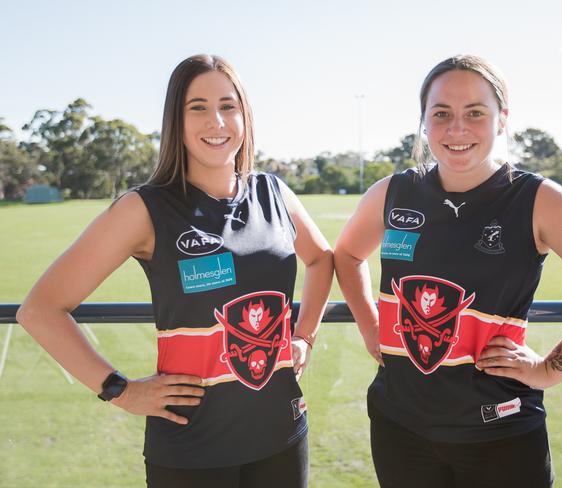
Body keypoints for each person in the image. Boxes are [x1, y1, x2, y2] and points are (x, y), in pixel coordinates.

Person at [17, 54, 333, 488]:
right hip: (193, 452)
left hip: (282, 435)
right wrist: (119, 390)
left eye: (228, 105)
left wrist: (304, 336)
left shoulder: (274, 192)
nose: (216, 121)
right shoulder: (144, 208)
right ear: (175, 121)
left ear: (245, 115)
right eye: (197, 107)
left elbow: (321, 259)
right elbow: (40, 309)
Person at [334, 54, 562, 488]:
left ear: (501, 120)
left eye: (475, 113)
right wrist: (371, 328)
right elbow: (346, 256)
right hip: (398, 425)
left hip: (500, 434)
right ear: (423, 122)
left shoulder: (535, 199)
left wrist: (549, 370)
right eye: (441, 113)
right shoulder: (392, 193)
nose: (456, 128)